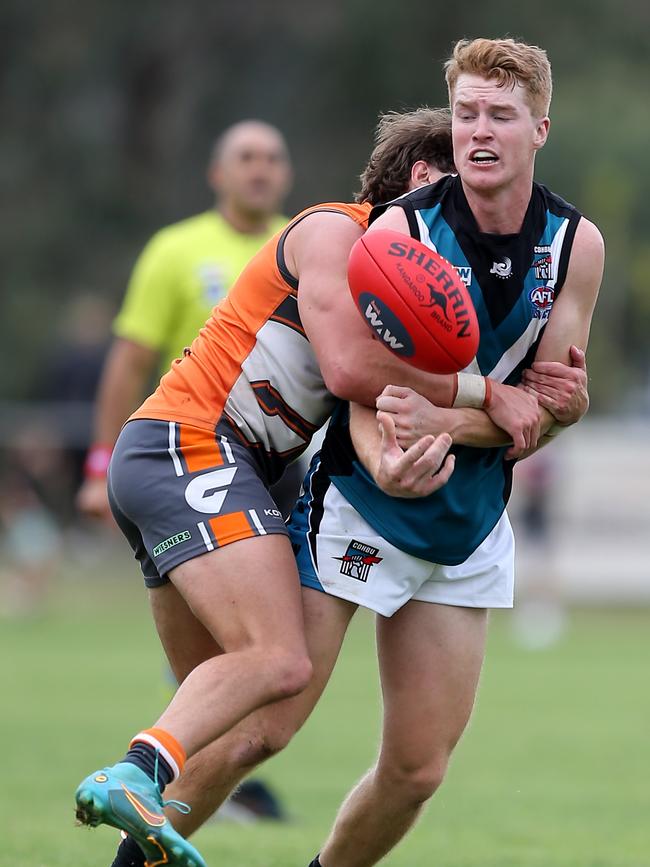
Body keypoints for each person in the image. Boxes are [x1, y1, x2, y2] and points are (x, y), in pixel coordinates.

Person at [138, 37, 598, 867]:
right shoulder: (398, 229)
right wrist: (400, 451)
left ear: (540, 129)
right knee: (258, 733)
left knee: (417, 770)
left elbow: (543, 409)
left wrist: (552, 408)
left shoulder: (574, 247)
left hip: (470, 519)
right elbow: (365, 389)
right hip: (362, 500)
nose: (479, 131)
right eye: (465, 115)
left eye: (501, 115)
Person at [77, 120, 293, 521]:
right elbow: (130, 362)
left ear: (286, 174)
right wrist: (100, 466)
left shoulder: (300, 245)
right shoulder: (173, 249)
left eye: (272, 160)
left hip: (289, 454)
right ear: (217, 174)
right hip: (197, 443)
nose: (260, 170)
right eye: (246, 159)